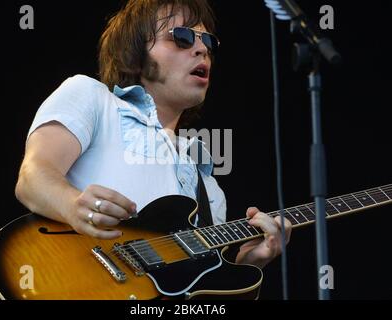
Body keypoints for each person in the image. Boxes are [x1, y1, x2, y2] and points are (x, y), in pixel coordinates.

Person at [15, 0, 291, 272]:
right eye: (182, 37)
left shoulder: (210, 189)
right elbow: (32, 178)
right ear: (134, 52)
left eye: (208, 41)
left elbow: (196, 294)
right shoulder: (92, 98)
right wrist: (72, 205)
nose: (201, 49)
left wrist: (245, 264)